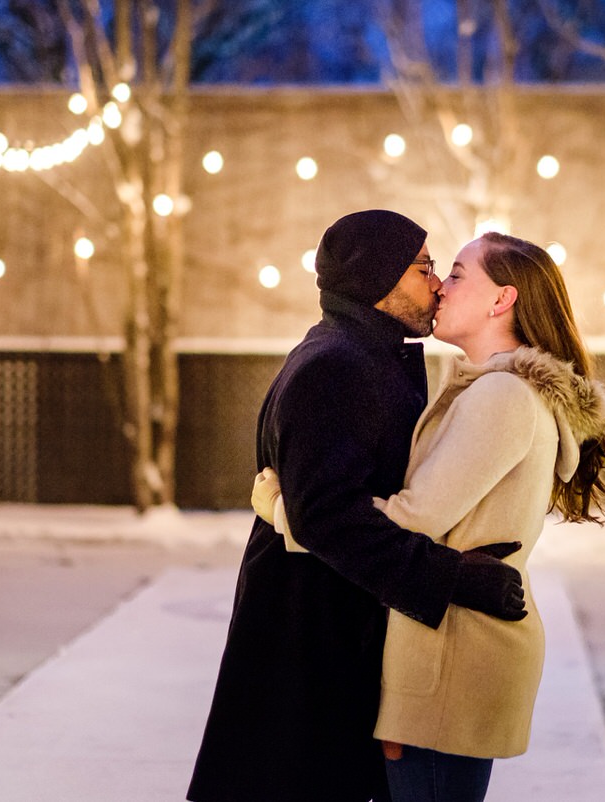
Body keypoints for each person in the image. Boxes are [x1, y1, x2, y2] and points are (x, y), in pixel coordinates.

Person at [255, 230, 605, 802]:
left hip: (452, 656)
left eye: (455, 274)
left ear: (501, 300)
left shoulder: (501, 397)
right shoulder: (486, 390)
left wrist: (283, 509)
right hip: (446, 644)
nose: (440, 287)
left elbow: (411, 517)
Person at [187, 210, 529, 802]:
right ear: (379, 279)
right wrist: (450, 578)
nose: (436, 283)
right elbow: (329, 518)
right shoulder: (337, 366)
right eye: (425, 267)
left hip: (335, 635)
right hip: (308, 643)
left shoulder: (371, 356)